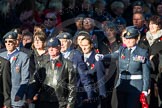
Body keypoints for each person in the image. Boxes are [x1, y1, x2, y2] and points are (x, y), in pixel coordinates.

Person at [95, 26, 151, 108]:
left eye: (131, 38)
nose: (128, 41)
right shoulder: (122, 50)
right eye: (126, 39)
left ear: (136, 39)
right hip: (121, 85)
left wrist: (145, 88)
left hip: (136, 86)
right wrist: (103, 57)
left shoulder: (142, 52)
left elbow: (146, 72)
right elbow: (114, 55)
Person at [34, 37, 76, 108]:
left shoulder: (68, 64)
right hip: (44, 101)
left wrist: (70, 105)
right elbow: (35, 80)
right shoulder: (42, 63)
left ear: (59, 48)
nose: (50, 49)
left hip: (61, 102)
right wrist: (30, 95)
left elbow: (72, 87)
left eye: (53, 47)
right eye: (49, 47)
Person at [0, 31, 30, 108]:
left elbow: (25, 79)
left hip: (16, 97)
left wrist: (20, 94)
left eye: (10, 41)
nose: (8, 43)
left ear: (16, 42)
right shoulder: (1, 56)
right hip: (2, 97)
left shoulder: (23, 57)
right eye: (6, 42)